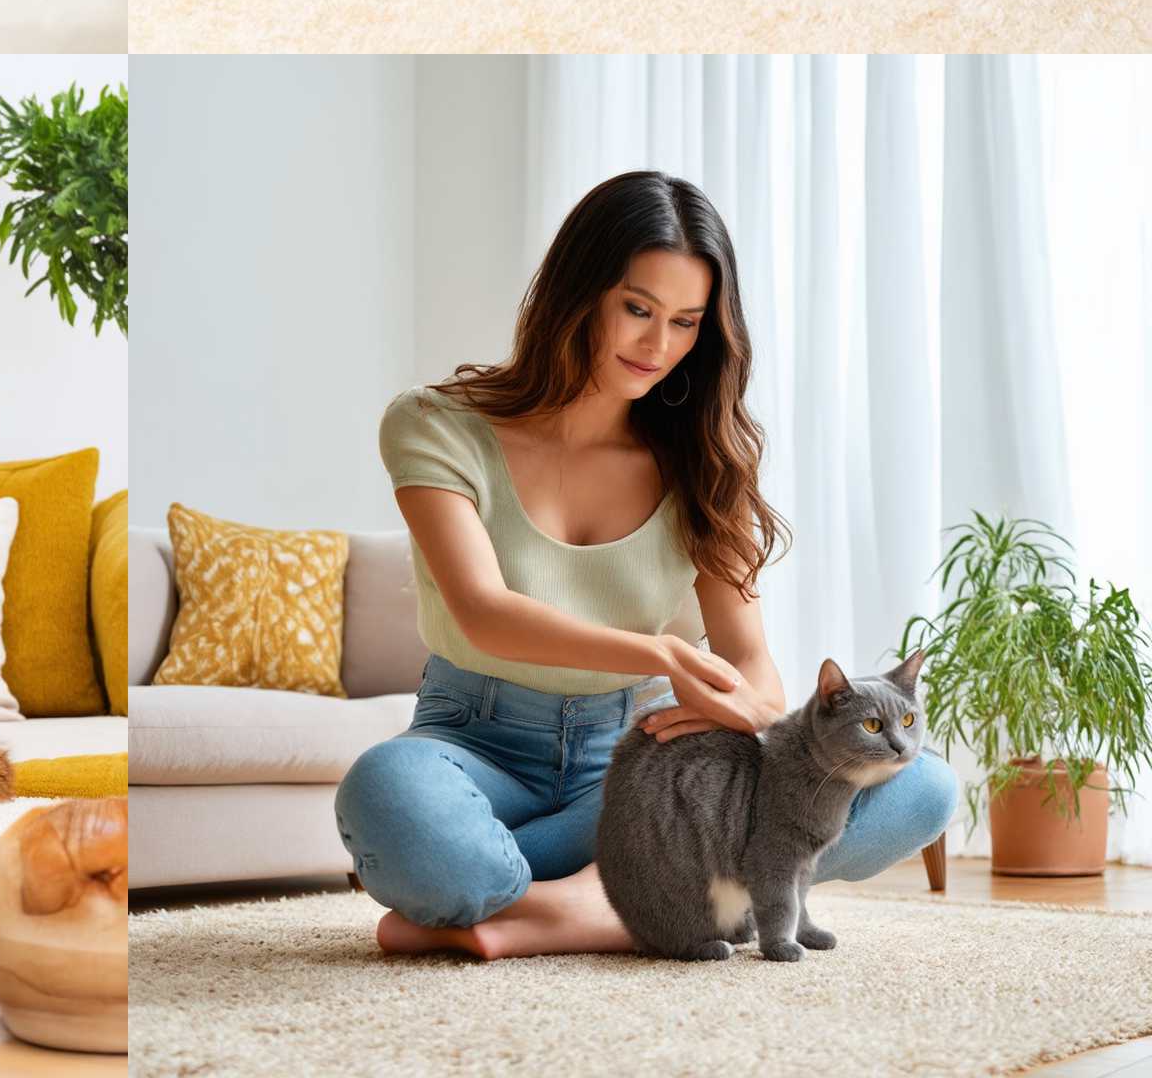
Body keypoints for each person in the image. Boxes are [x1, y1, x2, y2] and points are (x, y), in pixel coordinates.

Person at [336, 169, 956, 957]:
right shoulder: (436, 426)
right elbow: (481, 610)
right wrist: (660, 652)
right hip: (477, 741)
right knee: (389, 795)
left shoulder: (704, 459)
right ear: (579, 293)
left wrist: (749, 711)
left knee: (925, 786)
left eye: (687, 321)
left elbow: (752, 663)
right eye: (637, 309)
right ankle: (625, 896)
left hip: (652, 765)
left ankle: (558, 911)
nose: (658, 346)